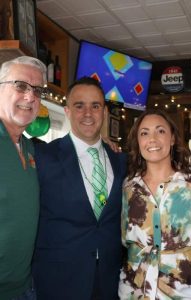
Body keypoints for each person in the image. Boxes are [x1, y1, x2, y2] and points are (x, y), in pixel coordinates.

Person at [32, 77, 127, 300]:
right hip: (58, 280)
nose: (88, 113)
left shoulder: (121, 160)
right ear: (66, 111)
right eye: (79, 105)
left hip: (109, 279)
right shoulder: (43, 157)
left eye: (95, 106)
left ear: (104, 112)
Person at [119, 109, 191, 299]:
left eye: (160, 131)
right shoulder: (128, 186)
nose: (152, 139)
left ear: (173, 138)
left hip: (184, 289)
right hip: (135, 288)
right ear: (138, 142)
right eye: (144, 133)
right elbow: (124, 239)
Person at [0, 56, 47, 300]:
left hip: (25, 286)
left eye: (37, 90)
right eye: (20, 86)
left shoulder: (31, 148)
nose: (30, 97)